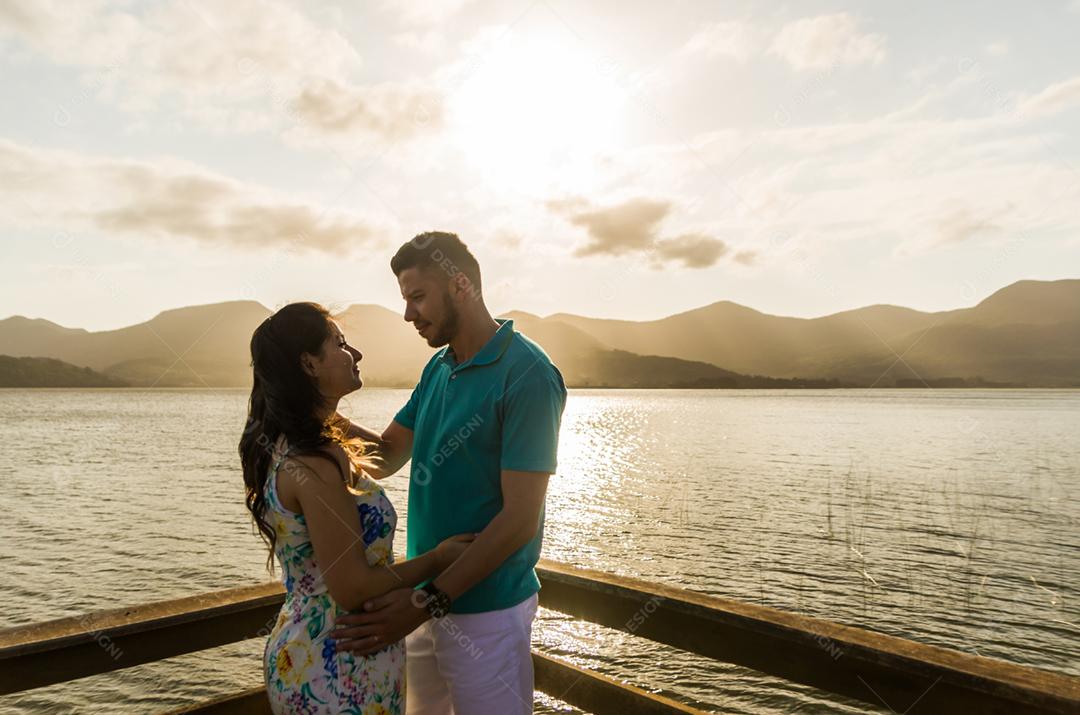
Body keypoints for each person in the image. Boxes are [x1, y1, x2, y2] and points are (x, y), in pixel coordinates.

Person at [331, 232, 568, 714]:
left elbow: (519, 520)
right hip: (421, 603)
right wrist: (310, 412)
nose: (408, 314)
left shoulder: (528, 373)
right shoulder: (438, 367)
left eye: (418, 297)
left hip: (488, 614)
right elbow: (386, 456)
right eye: (405, 299)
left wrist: (426, 602)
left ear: (461, 285)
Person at [238, 301, 474, 714]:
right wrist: (439, 559)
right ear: (309, 364)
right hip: (337, 665)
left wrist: (437, 383)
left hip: (321, 652)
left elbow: (385, 454)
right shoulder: (315, 461)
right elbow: (353, 587)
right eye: (341, 344)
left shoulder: (290, 441)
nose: (356, 354)